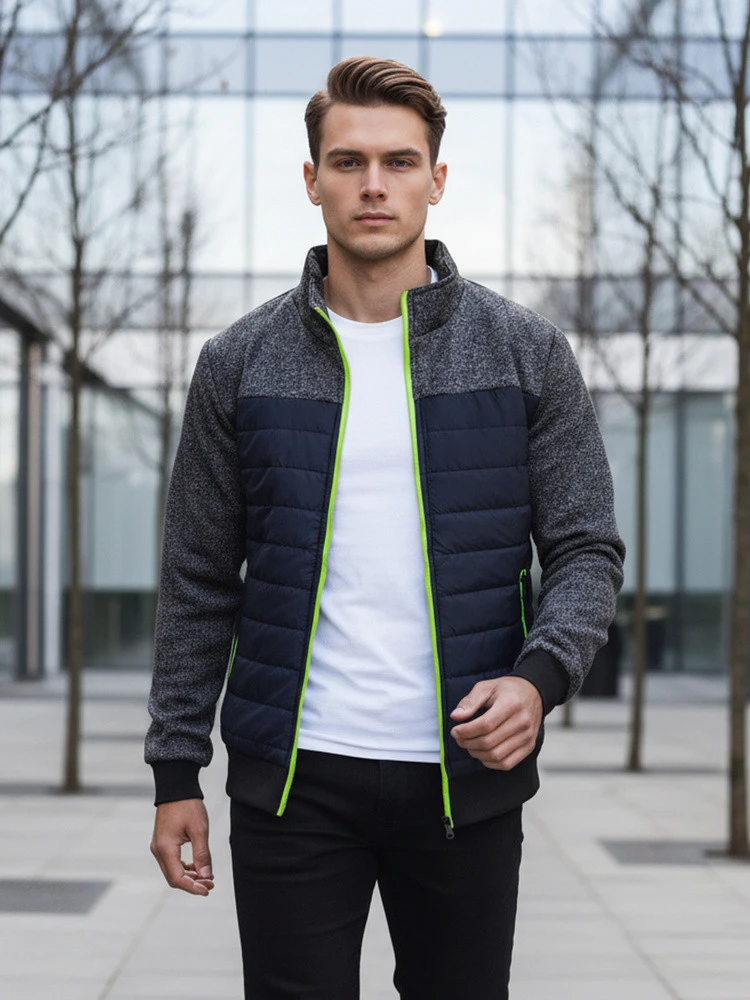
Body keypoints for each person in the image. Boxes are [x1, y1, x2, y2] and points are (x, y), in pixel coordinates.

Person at [145, 55, 626, 1000]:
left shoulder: (525, 352)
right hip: (293, 781)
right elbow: (197, 576)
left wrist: (539, 680)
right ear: (312, 179)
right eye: (349, 161)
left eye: (400, 162)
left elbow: (586, 547)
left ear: (436, 180)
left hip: (464, 777)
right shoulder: (239, 362)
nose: (374, 184)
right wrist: (175, 770)